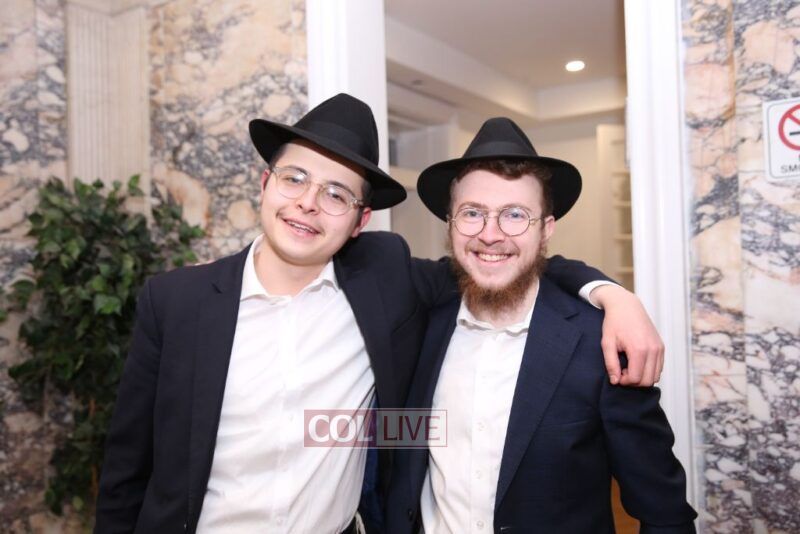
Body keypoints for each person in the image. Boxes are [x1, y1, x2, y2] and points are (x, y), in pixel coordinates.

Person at [95, 94, 666, 534]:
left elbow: (504, 261)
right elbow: (126, 469)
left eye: (337, 194)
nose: (308, 203)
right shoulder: (176, 301)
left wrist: (613, 295)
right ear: (265, 183)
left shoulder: (385, 281)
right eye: (295, 178)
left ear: (360, 221)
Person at [385, 117, 697, 534]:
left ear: (546, 230)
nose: (490, 234)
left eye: (515, 215)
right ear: (450, 223)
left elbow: (664, 512)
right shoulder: (420, 322)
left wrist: (613, 294)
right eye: (472, 213)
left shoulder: (600, 344)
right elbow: (404, 446)